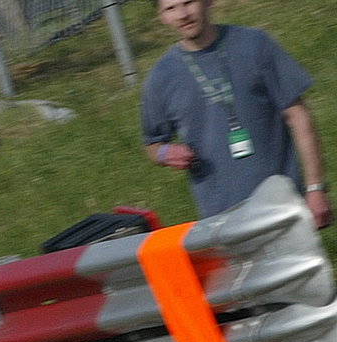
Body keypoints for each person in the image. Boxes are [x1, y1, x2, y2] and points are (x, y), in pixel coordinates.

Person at [140, 0, 330, 228]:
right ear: (162, 16)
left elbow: (298, 115)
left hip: (285, 206)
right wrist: (164, 153)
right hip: (221, 222)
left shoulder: (254, 45)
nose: (182, 14)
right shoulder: (161, 77)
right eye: (171, 8)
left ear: (208, 2)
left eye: (188, 2)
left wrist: (315, 187)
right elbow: (152, 144)